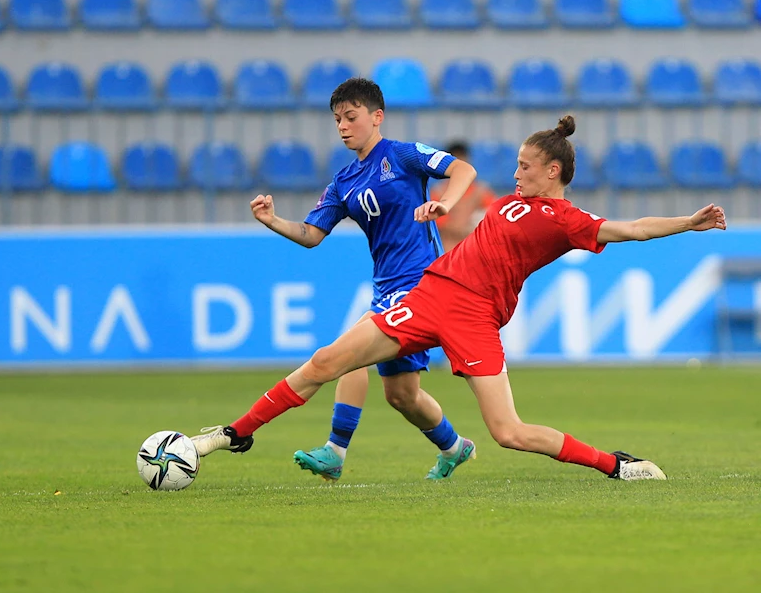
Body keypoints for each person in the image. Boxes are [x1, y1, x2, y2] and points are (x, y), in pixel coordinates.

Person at [193, 115, 727, 481]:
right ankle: (231, 435)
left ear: (553, 171)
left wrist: (688, 223)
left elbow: (631, 228)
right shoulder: (508, 202)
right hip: (431, 294)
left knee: (509, 433)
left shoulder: (567, 220)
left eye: (524, 165)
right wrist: (441, 209)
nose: (515, 173)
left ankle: (615, 465)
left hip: (475, 318)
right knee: (328, 361)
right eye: (516, 164)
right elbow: (462, 207)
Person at [193, 77, 479, 481]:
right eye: (337, 120)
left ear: (377, 117)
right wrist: (273, 221)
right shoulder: (344, 181)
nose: (343, 126)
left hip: (421, 287)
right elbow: (312, 235)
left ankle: (316, 447)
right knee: (402, 395)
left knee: (335, 358)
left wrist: (444, 203)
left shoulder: (403, 155)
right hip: (387, 289)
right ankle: (455, 447)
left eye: (351, 116)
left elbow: (463, 169)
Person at [430, 142, 497, 251]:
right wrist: (461, 229)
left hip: (475, 248)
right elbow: (437, 222)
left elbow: (493, 215)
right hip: (447, 249)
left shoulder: (481, 191)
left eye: (463, 159)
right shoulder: (439, 192)